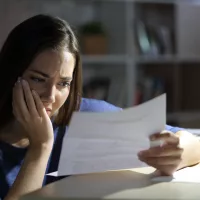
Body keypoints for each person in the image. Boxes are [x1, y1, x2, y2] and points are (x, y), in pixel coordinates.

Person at [0, 14, 200, 200]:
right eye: (38, 79)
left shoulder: (84, 117)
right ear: (11, 74)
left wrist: (177, 153)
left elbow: (193, 142)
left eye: (63, 83)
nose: (51, 96)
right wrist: (41, 146)